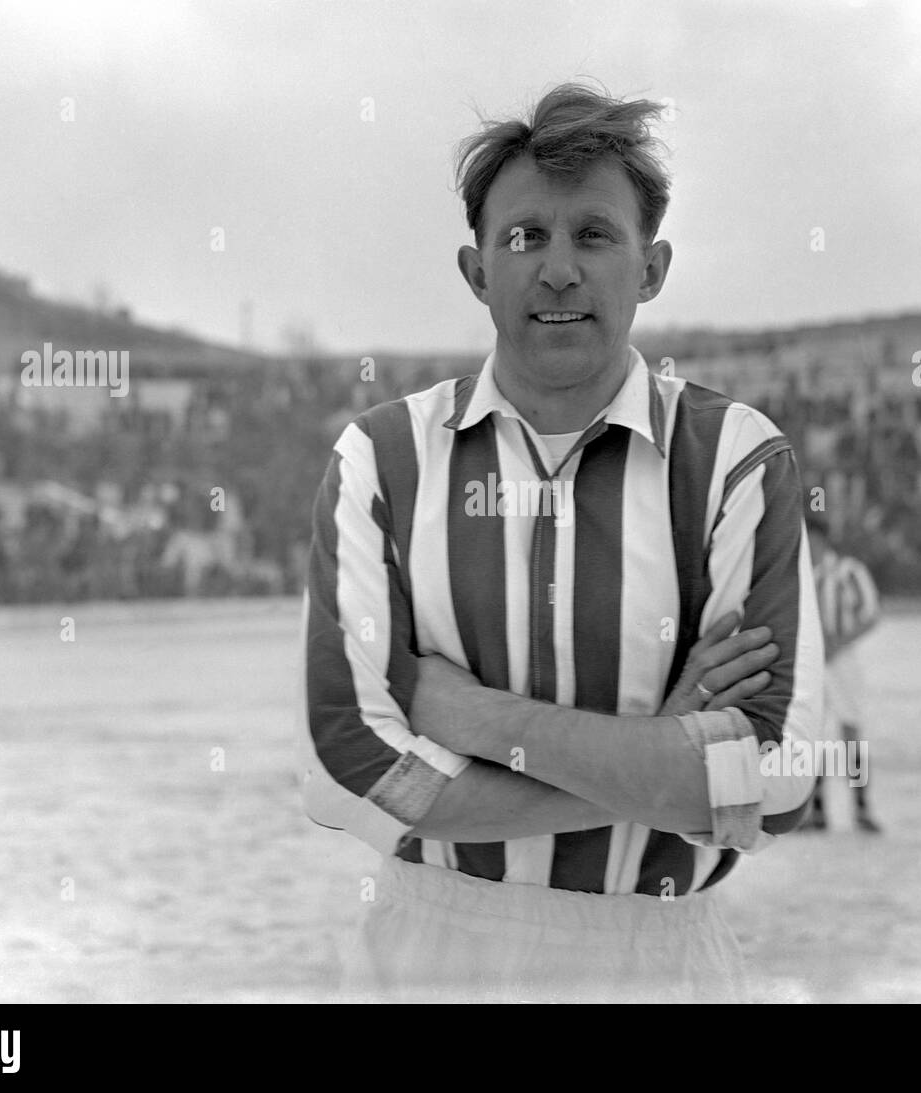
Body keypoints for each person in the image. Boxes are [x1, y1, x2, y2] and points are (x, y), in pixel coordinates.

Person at [299, 82, 824, 1003]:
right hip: (430, 952)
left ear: (651, 267)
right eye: (525, 236)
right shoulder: (382, 460)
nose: (558, 269)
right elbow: (347, 773)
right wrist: (666, 753)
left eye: (593, 234)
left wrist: (474, 718)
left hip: (658, 960)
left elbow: (776, 783)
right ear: (475, 269)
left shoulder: (737, 459)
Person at [803, 516, 881, 833]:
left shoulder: (848, 572)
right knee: (812, 733)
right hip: (813, 660)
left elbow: (871, 615)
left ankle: (861, 807)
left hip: (842, 659)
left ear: (823, 540)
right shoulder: (800, 574)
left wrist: (840, 642)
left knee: (849, 730)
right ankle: (817, 810)